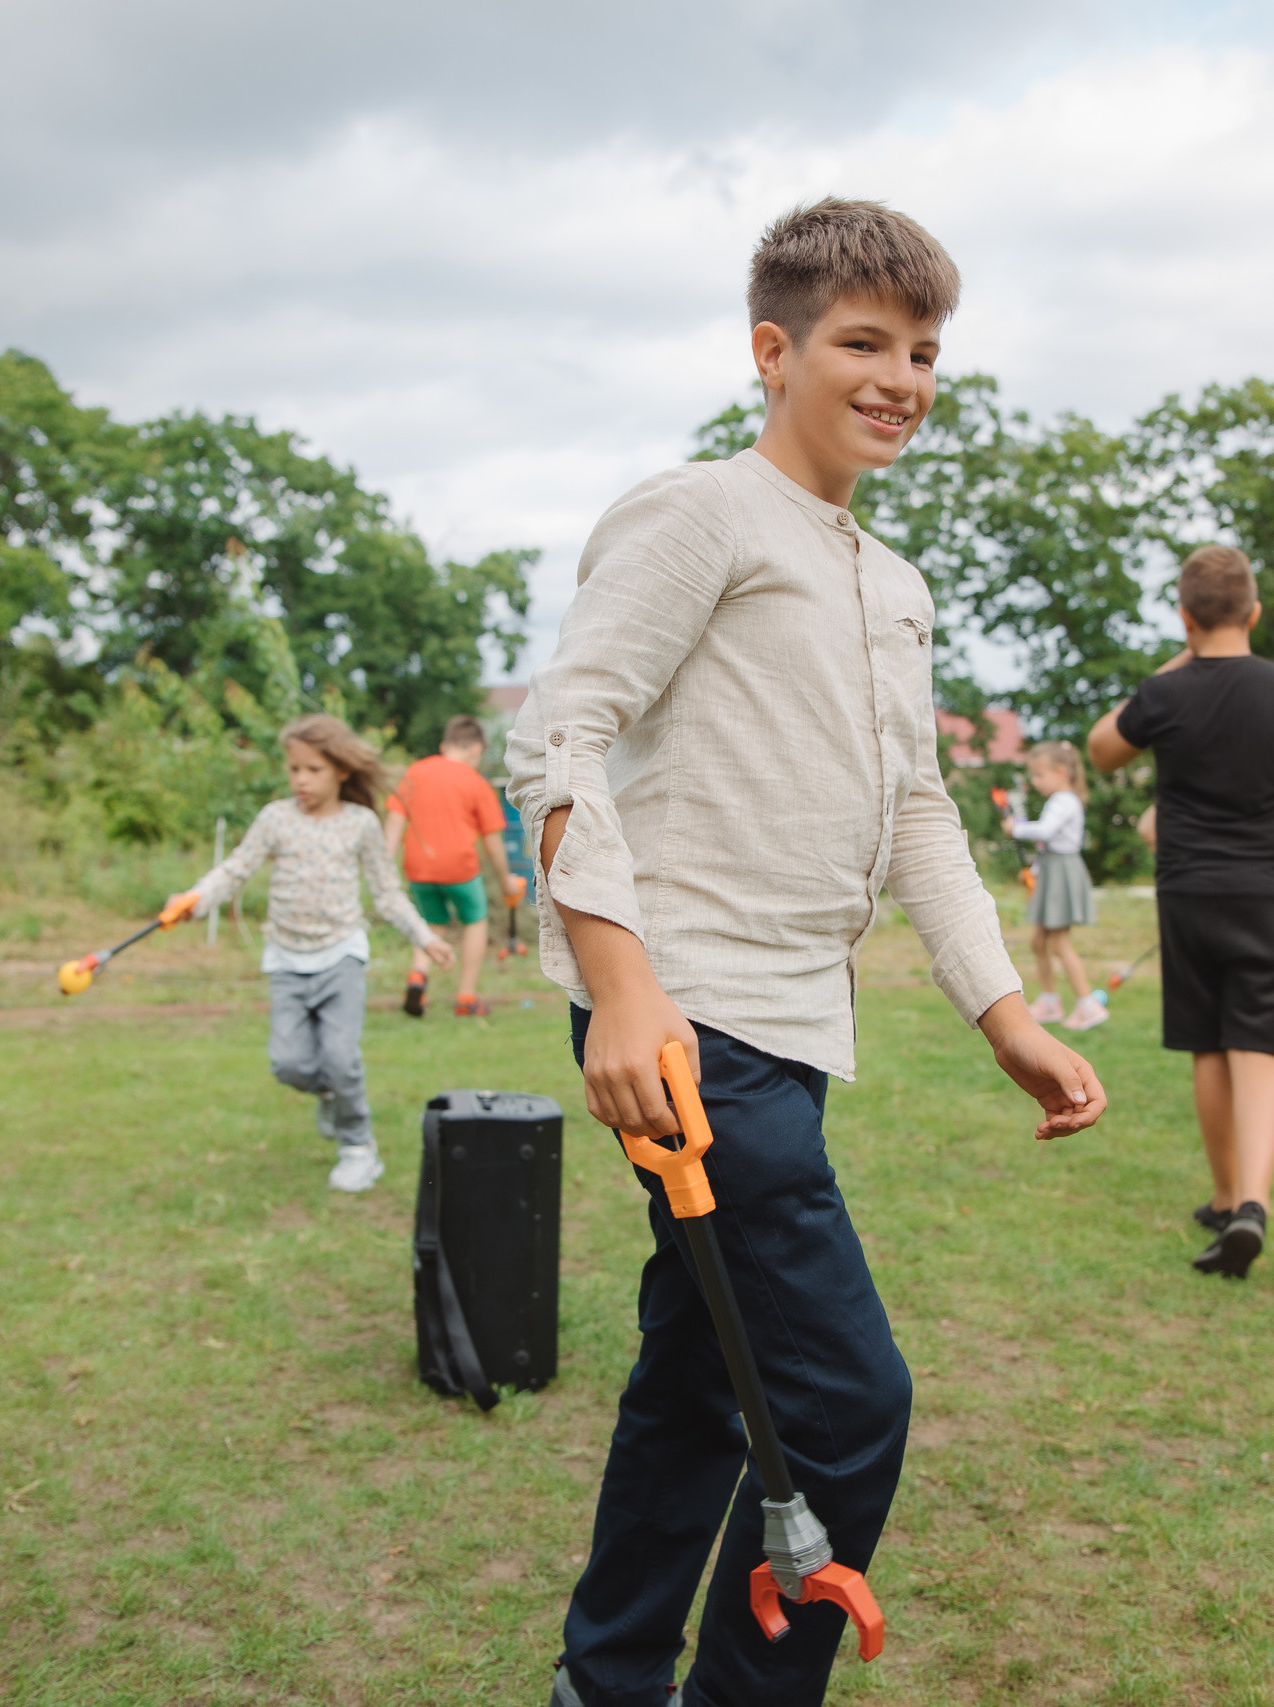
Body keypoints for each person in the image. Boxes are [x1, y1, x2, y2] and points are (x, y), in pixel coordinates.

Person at [508, 198, 1108, 1707]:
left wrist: (1005, 1012)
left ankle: (609, 1674)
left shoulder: (892, 583)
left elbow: (914, 806)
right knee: (848, 1397)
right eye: (864, 342)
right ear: (774, 351)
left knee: (704, 1379)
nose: (901, 374)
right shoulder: (698, 512)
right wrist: (621, 978)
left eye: (923, 349)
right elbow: (557, 735)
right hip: (692, 1025)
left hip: (794, 1025)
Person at [1088, 545, 1274, 1279]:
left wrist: (1180, 660)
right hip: (1269, 892)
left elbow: (1101, 748)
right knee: (1258, 1045)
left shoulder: (1166, 693)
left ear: (1185, 617)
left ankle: (1222, 1193)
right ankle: (1252, 1203)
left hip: (1188, 893)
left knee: (1208, 1044)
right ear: (1256, 612)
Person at [172, 714, 452, 1195]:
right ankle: (329, 1094)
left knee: (342, 1059)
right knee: (288, 1064)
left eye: (312, 770)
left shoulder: (361, 824)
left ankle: (359, 1148)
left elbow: (386, 893)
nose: (300, 779)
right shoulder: (275, 818)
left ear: (342, 770)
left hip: (341, 954)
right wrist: (196, 899)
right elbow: (236, 869)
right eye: (294, 769)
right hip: (285, 959)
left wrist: (423, 937)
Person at [386, 713, 512, 1018]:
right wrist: (506, 879)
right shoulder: (475, 782)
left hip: (417, 866)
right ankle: (465, 996)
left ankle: (418, 974)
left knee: (431, 922)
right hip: (460, 869)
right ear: (476, 750)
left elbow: (394, 821)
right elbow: (493, 843)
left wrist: (384, 869)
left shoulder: (415, 772)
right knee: (475, 921)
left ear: (445, 745)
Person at [1009, 740, 1106, 1032]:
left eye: (1040, 775)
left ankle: (1088, 1006)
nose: (1035, 782)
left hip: (1063, 873)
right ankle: (1050, 1001)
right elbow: (1048, 846)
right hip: (1052, 870)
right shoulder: (1059, 800)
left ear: (1061, 771)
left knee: (1059, 943)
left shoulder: (1065, 801)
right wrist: (1036, 871)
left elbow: (1046, 831)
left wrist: (1014, 827)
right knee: (1039, 941)